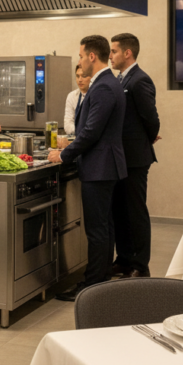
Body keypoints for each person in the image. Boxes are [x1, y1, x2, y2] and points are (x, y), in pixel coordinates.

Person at [48, 35, 126, 301]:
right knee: (105, 226)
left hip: (100, 167)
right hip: (105, 165)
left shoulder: (103, 86)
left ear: (92, 56)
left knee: (97, 229)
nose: (80, 61)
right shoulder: (107, 82)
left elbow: (91, 132)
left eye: (81, 56)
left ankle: (91, 286)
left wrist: (64, 155)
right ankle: (101, 279)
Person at [108, 33, 161, 278]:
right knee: (120, 210)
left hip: (136, 158)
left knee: (136, 211)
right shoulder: (121, 79)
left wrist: (148, 138)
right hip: (120, 157)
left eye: (114, 51)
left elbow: (151, 119)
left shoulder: (140, 80)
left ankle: (141, 265)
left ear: (127, 53)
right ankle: (125, 259)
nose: (110, 56)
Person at [61, 63, 91, 138]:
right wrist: (81, 131)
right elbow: (67, 124)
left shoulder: (95, 95)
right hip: (75, 139)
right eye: (77, 76)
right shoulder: (72, 96)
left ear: (91, 77)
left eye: (83, 76)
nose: (80, 80)